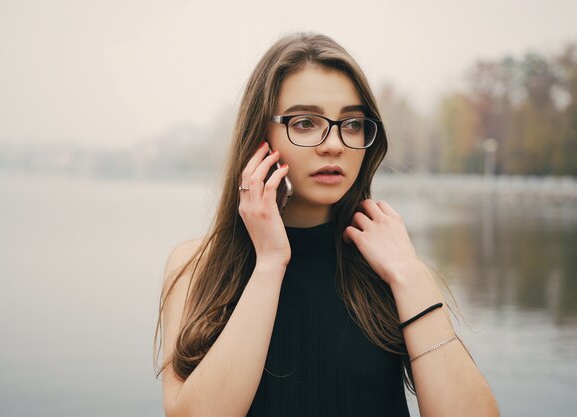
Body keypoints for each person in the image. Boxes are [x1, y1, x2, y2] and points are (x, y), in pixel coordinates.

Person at [153, 32, 500, 417]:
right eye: (304, 122)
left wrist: (409, 275)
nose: (334, 144)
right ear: (259, 135)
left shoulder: (391, 266)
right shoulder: (196, 266)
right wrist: (270, 262)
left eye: (352, 123)